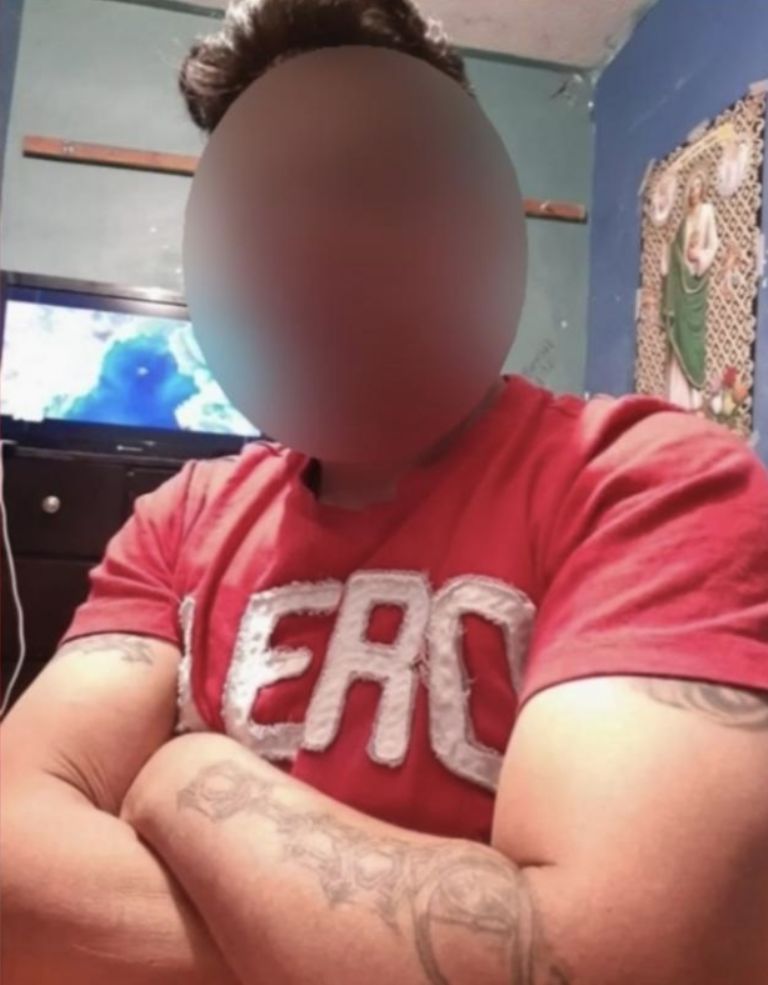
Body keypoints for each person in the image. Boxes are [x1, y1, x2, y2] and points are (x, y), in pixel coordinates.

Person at [3, 2, 767, 985]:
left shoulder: (647, 482)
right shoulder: (176, 519)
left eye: (370, 187)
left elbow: (606, 958)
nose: (314, 245)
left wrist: (192, 774)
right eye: (266, 206)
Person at [660, 170, 720, 411]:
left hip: (695, 284)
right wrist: (668, 249)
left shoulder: (707, 211)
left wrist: (700, 256)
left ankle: (694, 394)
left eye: (698, 186)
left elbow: (713, 244)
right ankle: (677, 396)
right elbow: (676, 249)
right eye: (691, 187)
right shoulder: (685, 220)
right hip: (680, 287)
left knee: (692, 339)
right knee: (677, 338)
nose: (694, 191)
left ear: (703, 189)